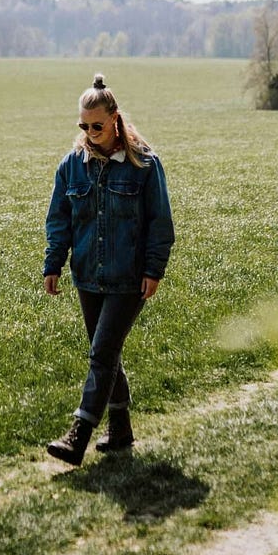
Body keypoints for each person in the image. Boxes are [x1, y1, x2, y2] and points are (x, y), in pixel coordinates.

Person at [42, 73, 175, 466]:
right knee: (106, 352)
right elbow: (59, 219)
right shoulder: (71, 166)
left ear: (115, 118)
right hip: (87, 276)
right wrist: (54, 263)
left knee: (102, 353)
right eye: (83, 126)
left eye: (96, 126)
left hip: (128, 279)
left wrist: (154, 270)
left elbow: (160, 223)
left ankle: (78, 434)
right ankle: (121, 429)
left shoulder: (145, 165)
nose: (89, 132)